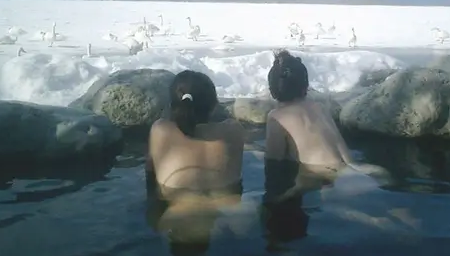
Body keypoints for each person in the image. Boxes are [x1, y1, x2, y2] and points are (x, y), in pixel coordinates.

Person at [146, 69, 246, 199]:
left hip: (178, 214)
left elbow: (150, 177)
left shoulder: (160, 130)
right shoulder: (234, 129)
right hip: (232, 213)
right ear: (214, 106)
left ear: (173, 104)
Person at [265, 49, 353, 190]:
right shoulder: (320, 107)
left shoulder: (277, 117)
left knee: (276, 201)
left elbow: (274, 159)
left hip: (323, 176)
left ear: (272, 88)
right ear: (305, 85)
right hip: (353, 170)